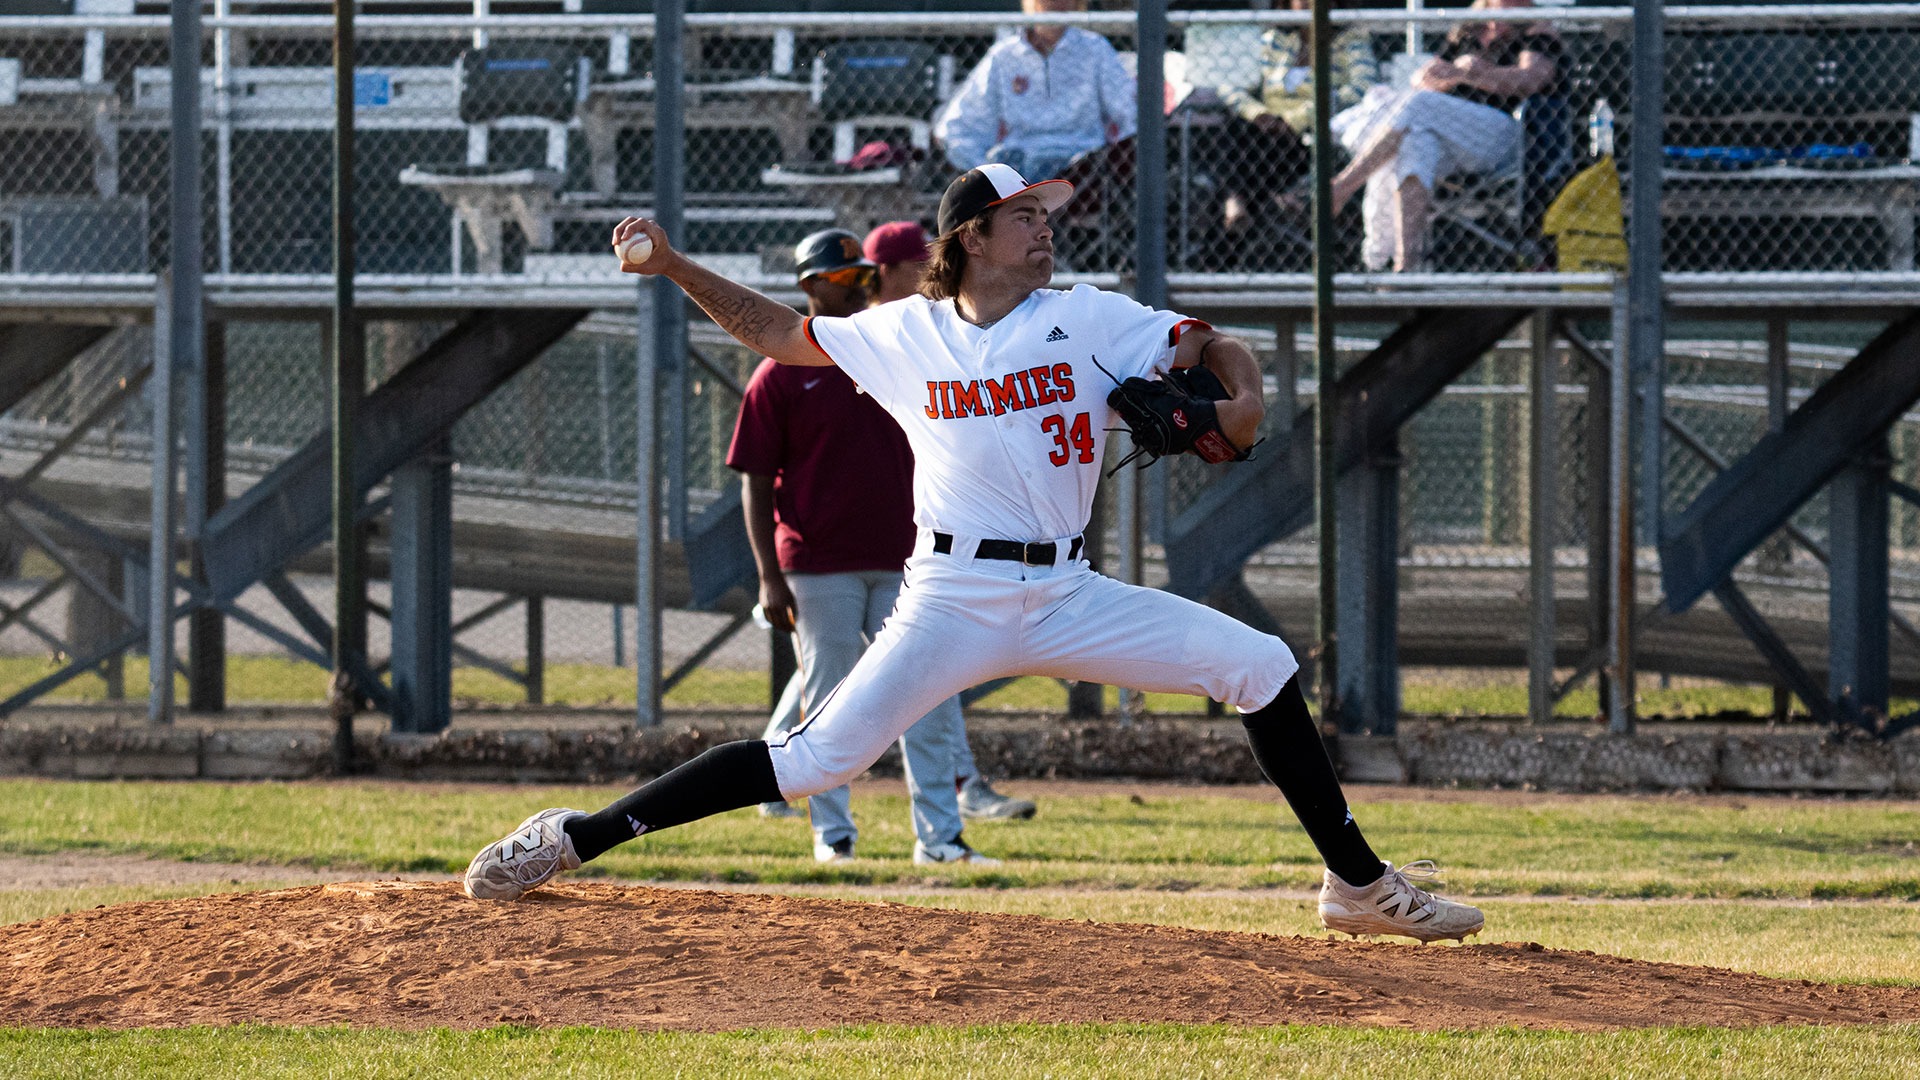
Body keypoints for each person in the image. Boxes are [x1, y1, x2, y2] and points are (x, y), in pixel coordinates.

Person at [462, 163, 1484, 945]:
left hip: (1067, 587)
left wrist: (1243, 392)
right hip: (951, 592)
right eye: (1027, 216)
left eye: (1048, 216)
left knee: (1259, 666)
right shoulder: (908, 332)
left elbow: (1208, 344)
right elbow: (778, 333)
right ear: (973, 237)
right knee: (817, 760)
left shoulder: (1084, 316)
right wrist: (678, 265)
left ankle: (1356, 886)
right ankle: (573, 837)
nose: (1048, 228)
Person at [733, 228, 998, 865]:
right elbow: (753, 478)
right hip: (818, 562)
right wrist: (768, 575)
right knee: (825, 701)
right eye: (842, 276)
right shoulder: (781, 371)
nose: (858, 285)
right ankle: (834, 837)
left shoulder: (894, 354)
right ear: (809, 286)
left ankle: (940, 839)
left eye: (862, 274)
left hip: (912, 559)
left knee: (927, 693)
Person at [863, 219, 1038, 822]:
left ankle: (957, 796)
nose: (930, 275)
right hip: (846, 553)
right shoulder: (879, 338)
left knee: (907, 684)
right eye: (914, 265)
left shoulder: (958, 337)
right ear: (884, 273)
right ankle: (817, 817)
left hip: (915, 549)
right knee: (831, 686)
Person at [1329, 0, 1561, 272]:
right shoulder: (1471, 26)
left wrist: (1472, 75)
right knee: (1414, 143)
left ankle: (1344, 185)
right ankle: (1399, 264)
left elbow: (1530, 80)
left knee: (1420, 105)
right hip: (1448, 132)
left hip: (1504, 134)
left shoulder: (1537, 26)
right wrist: (1440, 76)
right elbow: (1422, 79)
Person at [1187, 0, 1379, 245]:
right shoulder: (1273, 41)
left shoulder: (1352, 42)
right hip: (1263, 133)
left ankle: (1230, 220)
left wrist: (1296, 119)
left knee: (1244, 161)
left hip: (1313, 137)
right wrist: (1257, 113)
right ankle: (1242, 206)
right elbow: (1230, 85)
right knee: (1236, 129)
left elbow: (1362, 89)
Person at [933, 0, 1136, 183]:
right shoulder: (1004, 55)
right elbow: (956, 127)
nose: (1056, 3)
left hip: (1083, 171)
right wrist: (988, 175)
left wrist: (1116, 161)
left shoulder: (1095, 50)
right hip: (1018, 170)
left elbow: (1131, 115)